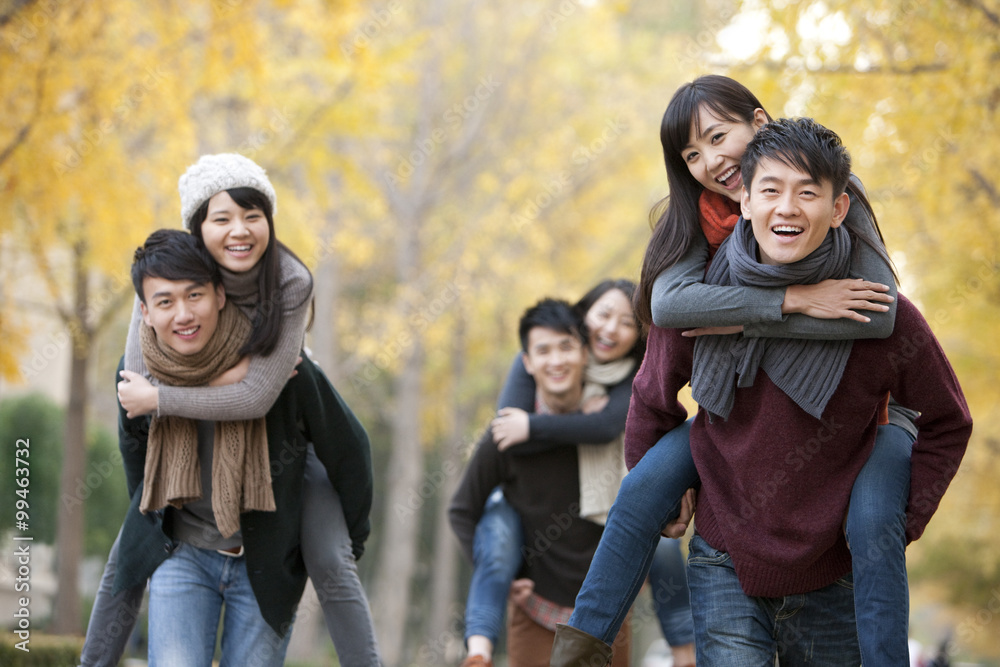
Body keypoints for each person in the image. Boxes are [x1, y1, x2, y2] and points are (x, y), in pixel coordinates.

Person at [547, 76, 948, 666]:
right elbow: (661, 344)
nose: (710, 161)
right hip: (723, 516)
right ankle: (580, 647)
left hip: (837, 504)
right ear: (747, 200)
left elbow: (879, 313)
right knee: (641, 490)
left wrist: (760, 312)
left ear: (759, 124)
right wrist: (787, 302)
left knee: (872, 520)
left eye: (717, 137)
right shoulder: (692, 231)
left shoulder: (834, 193)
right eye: (691, 154)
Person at [81, 154, 381, 666]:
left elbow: (272, 401)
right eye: (222, 218)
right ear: (197, 230)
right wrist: (153, 508)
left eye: (252, 215)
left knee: (331, 559)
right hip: (190, 531)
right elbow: (142, 393)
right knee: (128, 555)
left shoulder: (289, 282)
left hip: (278, 462)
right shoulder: (167, 286)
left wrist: (352, 528)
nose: (239, 231)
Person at [457, 279, 694, 667]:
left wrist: (550, 424)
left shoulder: (634, 379)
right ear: (582, 320)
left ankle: (685, 651)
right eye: (602, 315)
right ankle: (478, 644)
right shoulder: (542, 360)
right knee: (499, 533)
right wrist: (555, 422)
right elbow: (508, 431)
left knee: (663, 545)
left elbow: (604, 429)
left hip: (607, 550)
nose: (610, 329)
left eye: (625, 322)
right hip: (537, 579)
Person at [449, 298, 633, 667]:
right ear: (527, 362)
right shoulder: (507, 436)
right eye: (543, 351)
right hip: (534, 610)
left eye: (566, 347)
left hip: (606, 613)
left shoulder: (610, 428)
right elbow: (462, 510)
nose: (556, 361)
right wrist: (504, 576)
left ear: (585, 353)